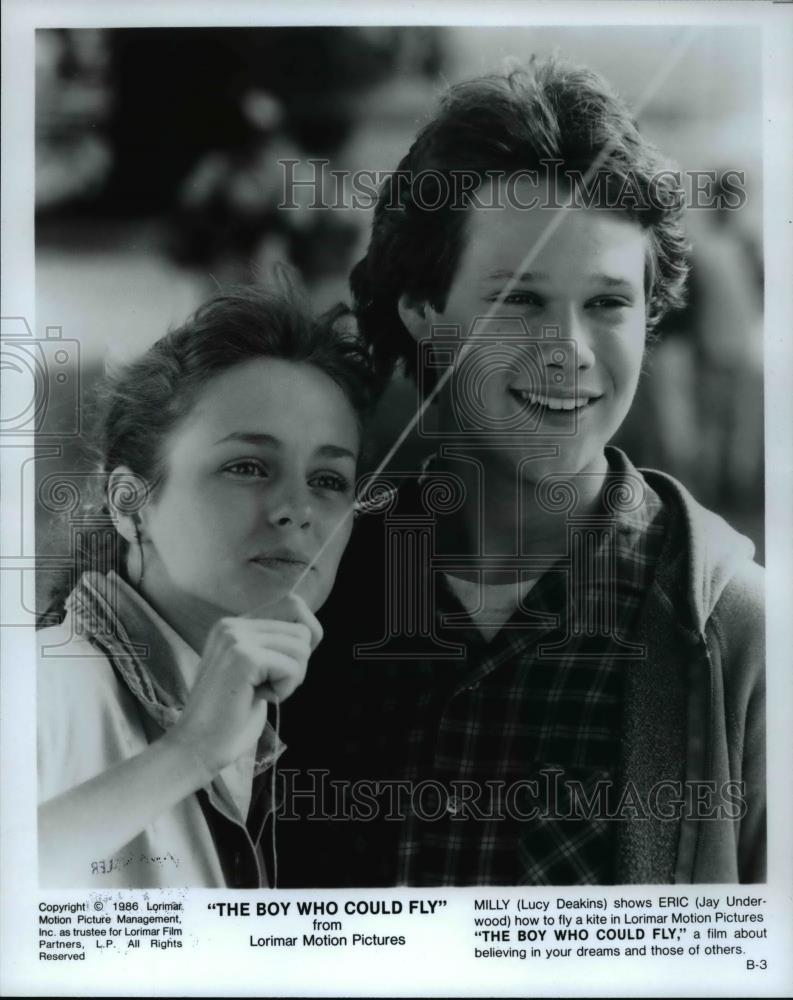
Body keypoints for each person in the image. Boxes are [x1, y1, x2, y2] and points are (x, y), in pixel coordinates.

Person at [278, 57, 765, 886]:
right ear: (423, 313)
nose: (567, 353)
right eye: (520, 300)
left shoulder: (733, 632)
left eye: (607, 303)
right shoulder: (316, 584)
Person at [36, 287, 376, 888]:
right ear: (129, 503)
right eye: (246, 466)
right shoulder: (44, 683)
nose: (297, 509)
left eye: (328, 478)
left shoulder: (265, 720)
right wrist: (187, 753)